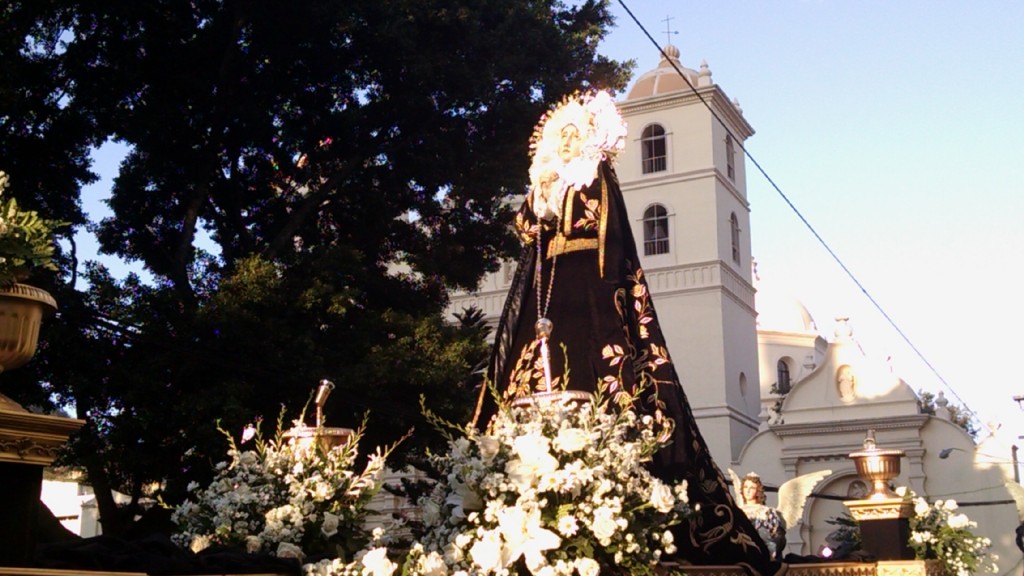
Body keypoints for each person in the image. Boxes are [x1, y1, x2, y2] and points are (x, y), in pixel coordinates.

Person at [472, 91, 781, 576]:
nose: (569, 144)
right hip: (548, 295)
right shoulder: (549, 181)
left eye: (576, 136)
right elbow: (526, 228)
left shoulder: (596, 178)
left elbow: (608, 236)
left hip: (592, 293)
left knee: (603, 375)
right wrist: (543, 195)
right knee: (530, 374)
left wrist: (565, 203)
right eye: (563, 137)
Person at [737, 473, 788, 560]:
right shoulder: (738, 512)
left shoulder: (768, 512)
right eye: (745, 487)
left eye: (752, 488)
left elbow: (778, 534)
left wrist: (773, 549)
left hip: (764, 553)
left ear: (758, 490)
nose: (748, 491)